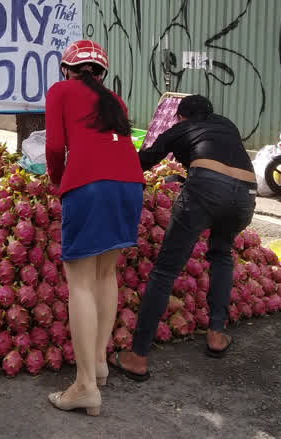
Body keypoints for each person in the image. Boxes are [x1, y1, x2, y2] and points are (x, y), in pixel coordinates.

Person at [110, 94, 256, 381]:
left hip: (205, 191)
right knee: (221, 254)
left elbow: (143, 162)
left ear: (181, 117)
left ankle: (137, 356)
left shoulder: (180, 129)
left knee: (165, 270)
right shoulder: (227, 125)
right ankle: (216, 334)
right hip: (247, 195)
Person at [44, 40, 144, 417]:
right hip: (130, 184)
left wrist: (57, 181)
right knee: (106, 273)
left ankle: (85, 385)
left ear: (68, 69)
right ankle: (98, 366)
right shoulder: (114, 100)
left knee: (80, 282)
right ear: (101, 73)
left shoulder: (60, 90)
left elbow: (55, 147)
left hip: (89, 184)